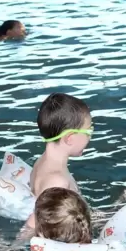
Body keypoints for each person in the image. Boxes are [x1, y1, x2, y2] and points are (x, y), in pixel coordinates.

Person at [25, 93, 92, 230]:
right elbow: (35, 223)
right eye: (88, 131)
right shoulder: (57, 181)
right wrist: (13, 249)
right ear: (70, 138)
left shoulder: (44, 161)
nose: (89, 137)